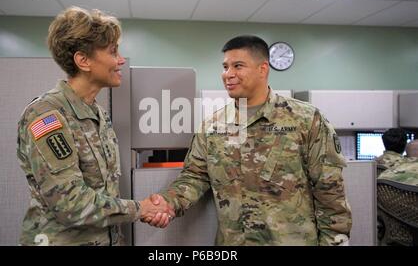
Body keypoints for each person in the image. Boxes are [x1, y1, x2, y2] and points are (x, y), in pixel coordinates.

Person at [144, 35, 352, 245]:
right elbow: (195, 176)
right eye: (225, 67)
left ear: (263, 69)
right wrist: (168, 202)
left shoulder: (306, 120)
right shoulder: (212, 126)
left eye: (238, 66)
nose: (228, 74)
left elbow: (330, 194)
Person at [16, 6, 173, 246]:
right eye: (112, 52)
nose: (120, 60)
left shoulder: (98, 114)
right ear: (83, 60)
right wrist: (140, 209)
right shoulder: (47, 116)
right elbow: (70, 204)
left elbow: (104, 191)